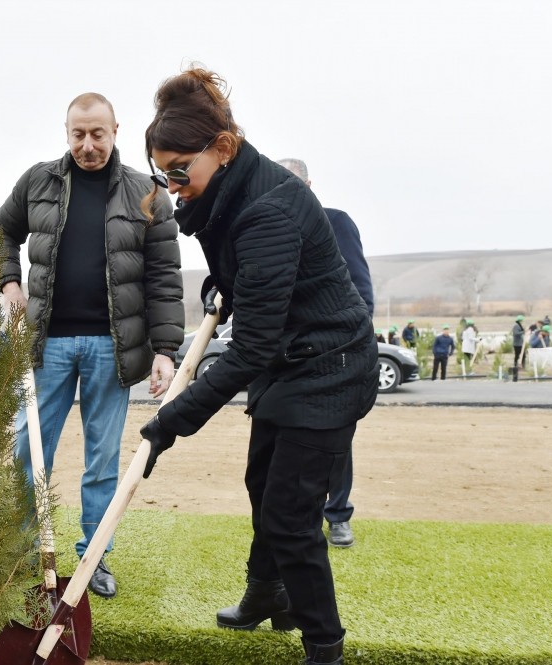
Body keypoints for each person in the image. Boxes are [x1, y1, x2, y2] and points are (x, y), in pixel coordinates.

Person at [137, 68, 378, 665]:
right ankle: (267, 594)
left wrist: (173, 419)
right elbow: (250, 270)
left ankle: (324, 644)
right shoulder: (230, 185)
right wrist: (224, 283)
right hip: (291, 360)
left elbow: (251, 347)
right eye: (159, 172)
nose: (170, 186)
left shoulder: (266, 206)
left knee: (292, 516)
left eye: (177, 171)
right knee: (261, 484)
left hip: (328, 366)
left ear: (220, 149)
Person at [0, 92, 184, 599]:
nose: (87, 144)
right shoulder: (38, 181)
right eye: (77, 134)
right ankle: (21, 553)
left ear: (116, 129)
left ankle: (93, 558)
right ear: (66, 132)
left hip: (113, 348)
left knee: (102, 461)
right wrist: (9, 282)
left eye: (96, 134)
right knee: (27, 452)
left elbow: (165, 278)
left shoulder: (147, 193)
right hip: (45, 345)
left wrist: (165, 350)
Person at [278, 157, 374, 550]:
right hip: (288, 355)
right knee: (289, 440)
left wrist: (348, 345)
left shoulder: (336, 222)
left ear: (310, 185)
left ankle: (338, 515)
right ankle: (298, 515)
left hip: (336, 355)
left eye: (295, 186)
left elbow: (361, 292)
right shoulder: (269, 229)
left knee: (335, 441)